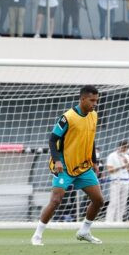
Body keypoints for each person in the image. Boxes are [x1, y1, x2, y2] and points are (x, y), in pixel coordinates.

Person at [31, 85, 104, 246]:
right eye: (92, 100)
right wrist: (57, 160)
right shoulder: (67, 117)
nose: (95, 104)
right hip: (64, 166)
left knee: (98, 200)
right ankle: (37, 235)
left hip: (83, 166)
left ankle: (84, 231)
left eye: (96, 100)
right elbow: (52, 139)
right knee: (56, 200)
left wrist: (95, 162)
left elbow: (91, 139)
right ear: (83, 99)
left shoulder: (94, 116)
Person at [105, 140, 129, 222]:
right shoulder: (112, 156)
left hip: (126, 181)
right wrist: (122, 166)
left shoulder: (127, 156)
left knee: (123, 203)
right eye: (125, 147)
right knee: (114, 202)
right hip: (116, 181)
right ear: (121, 147)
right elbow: (110, 170)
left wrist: (127, 164)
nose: (126, 149)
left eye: (127, 147)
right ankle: (109, 221)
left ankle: (119, 220)